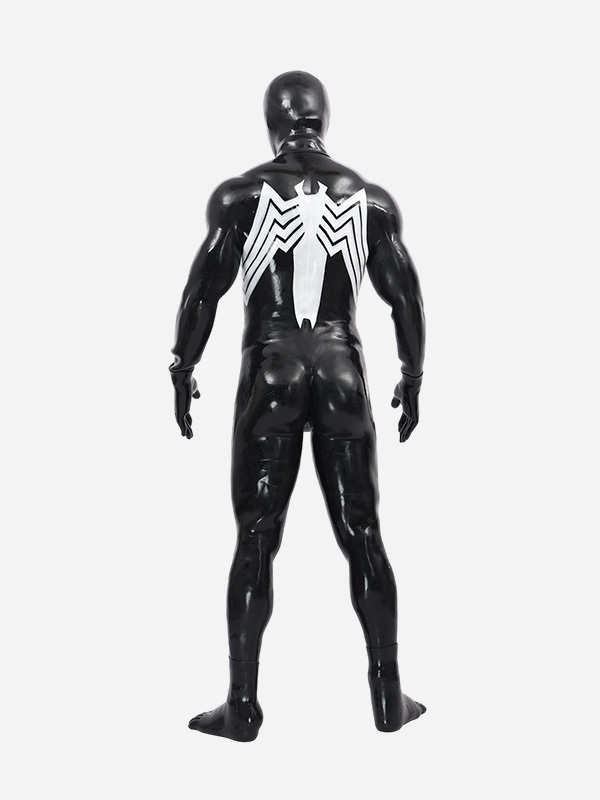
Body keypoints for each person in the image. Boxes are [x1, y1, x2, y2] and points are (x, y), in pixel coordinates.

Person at [170, 71, 426, 742]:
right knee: (363, 532)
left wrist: (182, 367)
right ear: (322, 121)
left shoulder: (239, 197)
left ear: (272, 124)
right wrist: (413, 374)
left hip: (272, 369)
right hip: (341, 371)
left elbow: (202, 293)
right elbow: (405, 297)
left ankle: (242, 706)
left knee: (256, 537)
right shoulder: (371, 202)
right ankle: (387, 697)